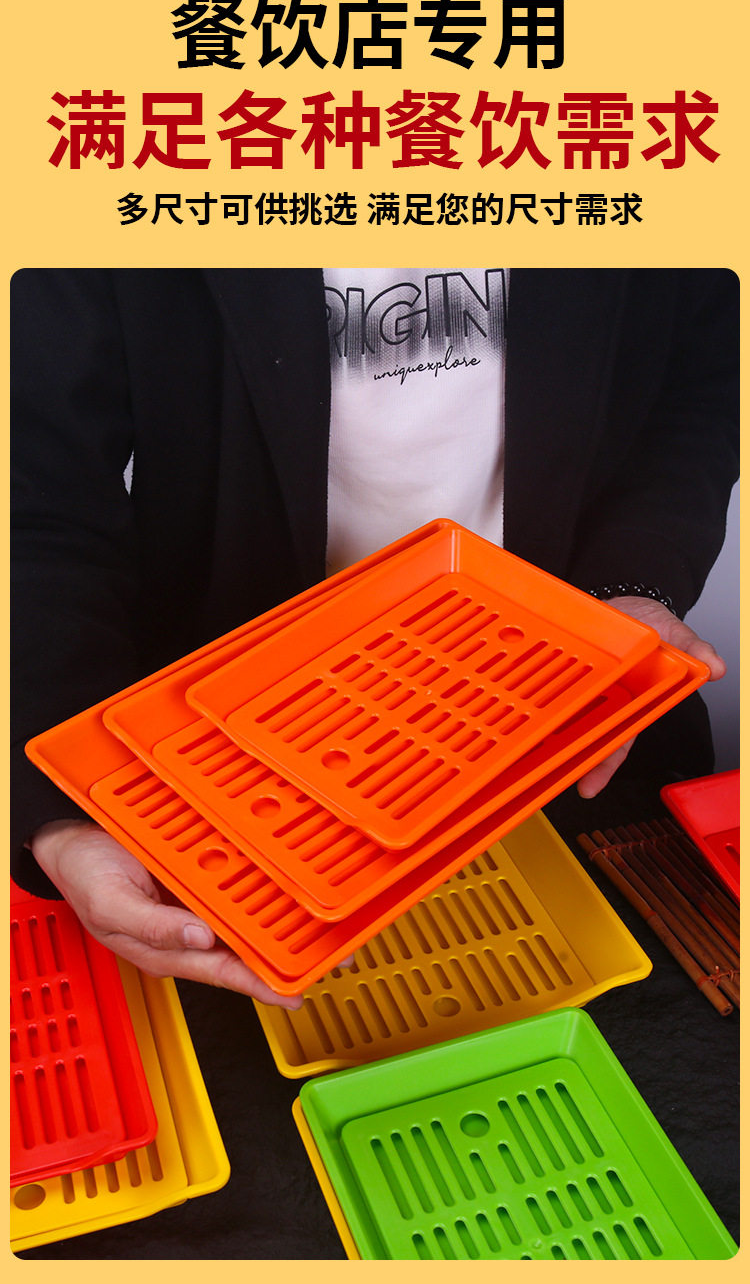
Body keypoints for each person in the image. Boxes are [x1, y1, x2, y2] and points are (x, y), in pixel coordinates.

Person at [11, 267, 739, 1005]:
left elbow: (705, 382)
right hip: (234, 777)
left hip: (576, 720)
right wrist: (65, 807)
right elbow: (39, 495)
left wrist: (633, 583)